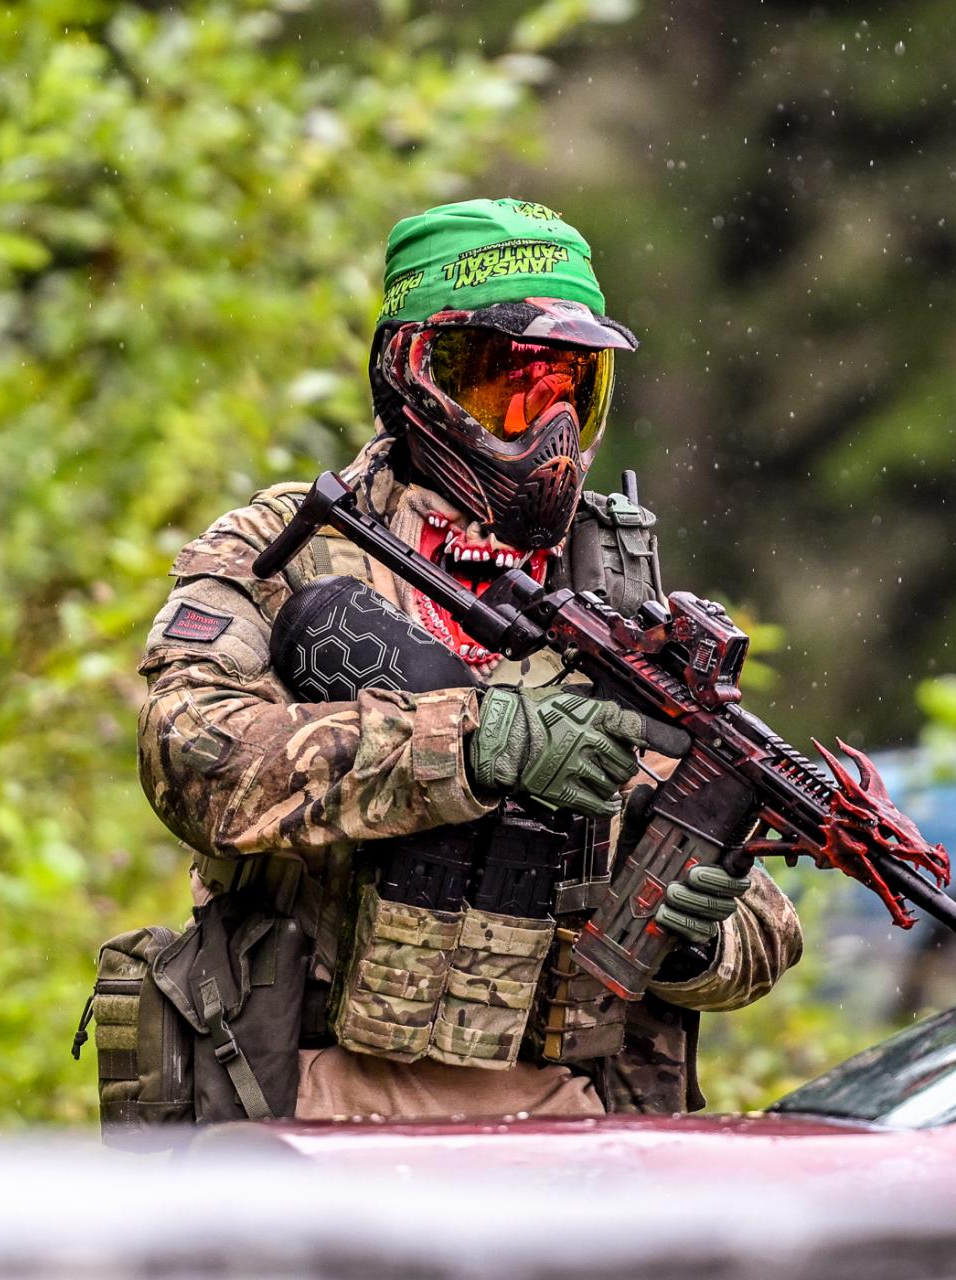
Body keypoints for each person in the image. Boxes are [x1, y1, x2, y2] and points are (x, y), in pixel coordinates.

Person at [137, 197, 802, 1121]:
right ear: (413, 372)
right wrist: (470, 745)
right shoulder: (290, 546)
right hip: (315, 1096)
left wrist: (696, 938)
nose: (548, 430)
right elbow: (188, 756)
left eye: (572, 389)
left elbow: (762, 921)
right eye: (507, 387)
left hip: (574, 1117)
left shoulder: (617, 589)